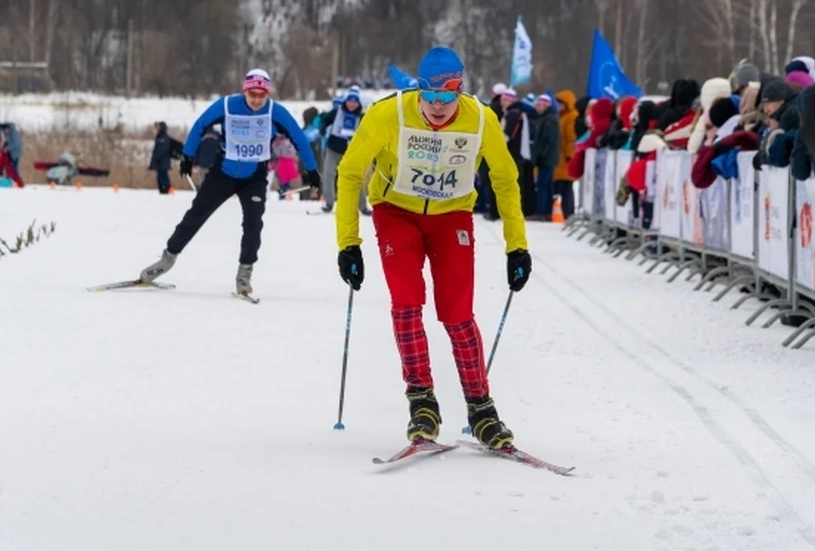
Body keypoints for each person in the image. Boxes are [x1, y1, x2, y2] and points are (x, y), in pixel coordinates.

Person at [333, 46, 532, 449]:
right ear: (418, 90)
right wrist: (348, 244)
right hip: (396, 214)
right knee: (407, 302)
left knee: (457, 312)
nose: (439, 107)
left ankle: (481, 409)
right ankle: (422, 400)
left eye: (449, 96)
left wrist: (517, 247)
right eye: (431, 97)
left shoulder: (480, 119)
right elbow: (350, 172)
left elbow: (506, 179)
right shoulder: (388, 115)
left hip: (451, 217)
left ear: (461, 90)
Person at [139, 68, 321, 296]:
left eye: (261, 95)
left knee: (253, 224)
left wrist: (312, 170)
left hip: (254, 177)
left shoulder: (276, 112)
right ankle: (166, 261)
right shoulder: (226, 106)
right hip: (222, 174)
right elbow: (200, 125)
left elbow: (299, 139)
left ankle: (244, 275)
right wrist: (187, 156)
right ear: (244, 91)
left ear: (267, 94)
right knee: (196, 215)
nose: (256, 100)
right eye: (252, 94)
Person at [317, 85, 370, 215]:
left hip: (351, 152)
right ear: (346, 101)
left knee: (355, 177)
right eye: (350, 101)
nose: (352, 104)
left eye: (355, 101)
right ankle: (329, 203)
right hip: (333, 149)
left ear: (358, 103)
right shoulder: (337, 111)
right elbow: (324, 120)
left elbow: (369, 132)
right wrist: (323, 129)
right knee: (329, 175)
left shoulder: (362, 117)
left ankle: (363, 206)